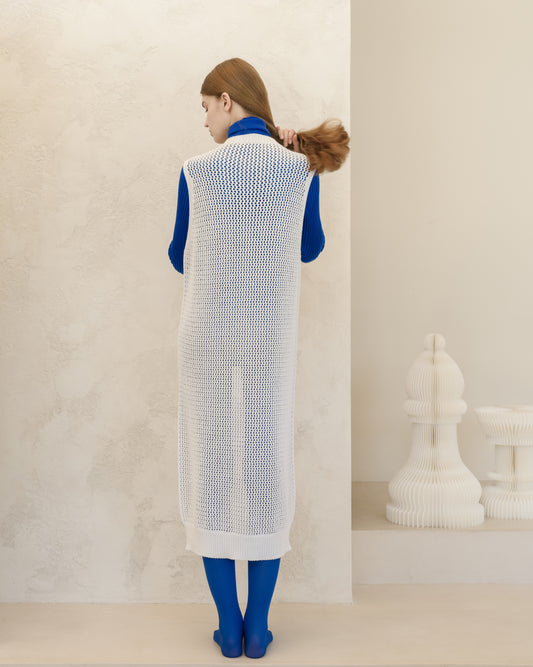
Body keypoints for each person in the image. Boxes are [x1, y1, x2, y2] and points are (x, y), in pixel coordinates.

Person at [168, 57, 349, 659]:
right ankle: (258, 629)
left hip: (208, 348)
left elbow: (178, 256)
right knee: (265, 475)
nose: (204, 122)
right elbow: (310, 248)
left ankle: (227, 628)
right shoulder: (298, 168)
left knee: (214, 477)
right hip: (267, 349)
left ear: (226, 100)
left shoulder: (197, 171)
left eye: (205, 108)